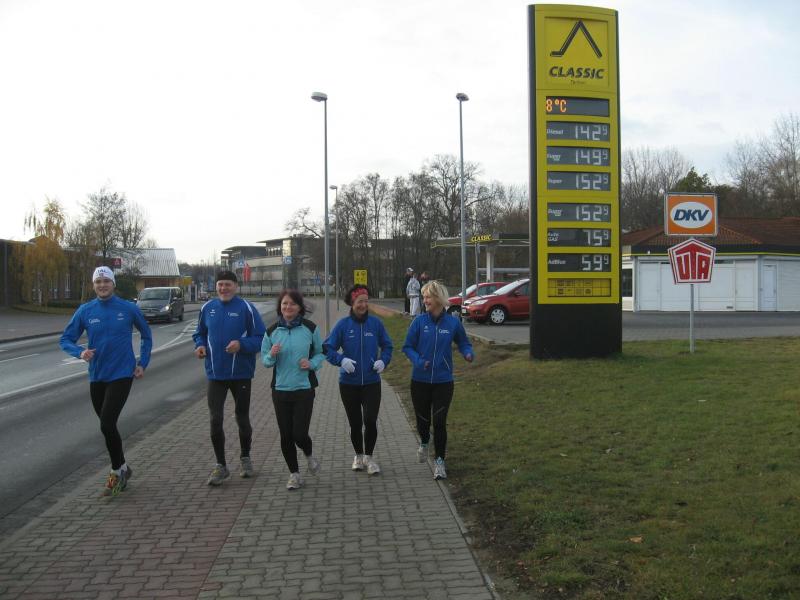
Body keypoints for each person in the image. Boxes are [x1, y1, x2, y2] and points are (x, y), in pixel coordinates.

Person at [59, 266, 152, 497]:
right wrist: (80, 352)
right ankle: (123, 468)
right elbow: (66, 339)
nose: (102, 285)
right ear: (94, 285)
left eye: (106, 281)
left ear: (113, 284)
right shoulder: (86, 310)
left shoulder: (128, 308)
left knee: (107, 423)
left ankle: (116, 472)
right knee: (108, 426)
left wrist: (143, 362)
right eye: (98, 282)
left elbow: (146, 335)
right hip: (97, 375)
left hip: (122, 373)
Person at [193, 270, 266, 486]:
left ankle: (245, 458)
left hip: (241, 373)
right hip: (215, 374)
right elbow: (200, 333)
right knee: (215, 419)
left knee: (242, 417)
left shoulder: (246, 308)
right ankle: (221, 465)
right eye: (220, 285)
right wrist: (200, 345)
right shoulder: (208, 308)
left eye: (228, 284)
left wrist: (241, 345)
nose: (224, 288)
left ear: (236, 286)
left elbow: (261, 338)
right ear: (216, 287)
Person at [402, 280, 474, 480]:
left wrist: (468, 353)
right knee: (423, 421)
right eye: (423, 297)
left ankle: (440, 461)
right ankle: (425, 441)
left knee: (440, 421)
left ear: (439, 299)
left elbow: (464, 343)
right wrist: (418, 361)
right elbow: (407, 347)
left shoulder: (453, 323)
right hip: (420, 380)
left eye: (428, 297)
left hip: (443, 381)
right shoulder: (419, 322)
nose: (425, 301)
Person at [323, 285, 394, 475]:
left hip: (371, 382)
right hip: (349, 383)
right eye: (360, 301)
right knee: (355, 423)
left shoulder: (376, 324)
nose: (363, 305)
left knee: (370, 420)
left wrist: (383, 360)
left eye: (366, 301)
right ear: (352, 303)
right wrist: (341, 360)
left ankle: (369, 457)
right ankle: (358, 455)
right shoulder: (343, 325)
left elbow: (387, 346)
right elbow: (327, 348)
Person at [261, 289, 325, 490]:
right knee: (286, 435)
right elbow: (265, 361)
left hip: (304, 389)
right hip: (280, 390)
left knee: (299, 434)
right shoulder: (271, 331)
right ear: (280, 307)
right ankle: (294, 474)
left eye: (292, 304)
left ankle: (309, 455)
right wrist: (271, 355)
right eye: (284, 304)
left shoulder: (310, 328)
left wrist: (312, 364)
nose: (288, 307)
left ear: (299, 308)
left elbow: (321, 353)